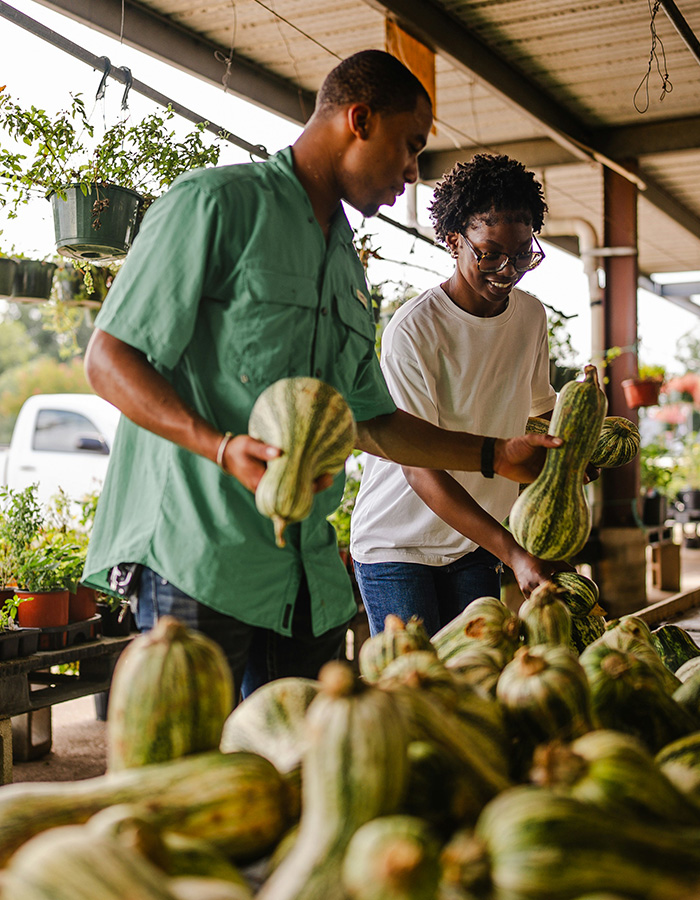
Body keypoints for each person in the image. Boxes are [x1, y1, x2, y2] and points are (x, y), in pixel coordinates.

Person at [82, 52, 561, 698]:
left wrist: (494, 455)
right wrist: (219, 447)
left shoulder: (343, 264)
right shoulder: (216, 204)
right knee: (189, 756)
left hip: (300, 574)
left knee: (306, 750)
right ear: (359, 120)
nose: (412, 173)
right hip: (195, 558)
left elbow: (373, 421)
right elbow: (109, 358)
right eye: (409, 146)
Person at [351, 153, 572, 637]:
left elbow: (540, 412)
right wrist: (513, 552)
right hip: (398, 546)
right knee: (417, 679)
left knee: (477, 677)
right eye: (490, 253)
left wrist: (573, 457)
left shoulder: (530, 318)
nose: (507, 270)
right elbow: (418, 467)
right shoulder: (415, 329)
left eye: (522, 254)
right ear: (454, 240)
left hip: (474, 543)